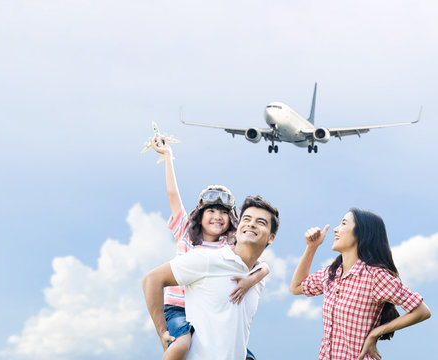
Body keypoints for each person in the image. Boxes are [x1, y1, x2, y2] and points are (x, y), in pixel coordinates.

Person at [151, 137, 269, 360]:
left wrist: (249, 281)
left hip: (211, 313)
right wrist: (168, 157)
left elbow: (263, 267)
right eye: (211, 211)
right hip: (179, 309)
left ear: (231, 218)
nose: (217, 217)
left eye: (223, 212)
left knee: (245, 354)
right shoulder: (185, 231)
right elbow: (172, 194)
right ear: (200, 215)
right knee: (181, 345)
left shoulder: (230, 246)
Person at [143, 195, 280, 360]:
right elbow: (151, 280)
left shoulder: (257, 275)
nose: (251, 223)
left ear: (271, 238)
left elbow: (264, 266)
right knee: (181, 344)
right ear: (238, 228)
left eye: (261, 222)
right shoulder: (207, 258)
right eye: (247, 218)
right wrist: (162, 331)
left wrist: (252, 279)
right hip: (176, 311)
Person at [290, 208, 431, 360]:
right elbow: (297, 287)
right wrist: (312, 247)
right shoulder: (331, 273)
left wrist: (375, 333)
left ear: (362, 232)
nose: (336, 229)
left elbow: (422, 311)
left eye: (343, 223)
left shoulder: (375, 277)